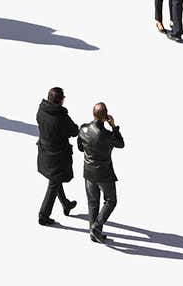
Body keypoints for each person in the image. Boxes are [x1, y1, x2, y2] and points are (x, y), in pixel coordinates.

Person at [77, 102, 125, 243]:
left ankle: (93, 233)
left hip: (88, 172)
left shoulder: (83, 129)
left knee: (93, 202)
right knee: (111, 200)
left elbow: (80, 148)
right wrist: (114, 127)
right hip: (104, 173)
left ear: (93, 114)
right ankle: (96, 228)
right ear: (105, 117)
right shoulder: (108, 135)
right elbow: (121, 144)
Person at [36, 87, 79, 227]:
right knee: (54, 182)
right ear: (60, 100)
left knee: (55, 179)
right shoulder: (61, 117)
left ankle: (65, 204)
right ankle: (43, 216)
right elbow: (74, 131)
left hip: (44, 152)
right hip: (57, 156)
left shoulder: (41, 110)